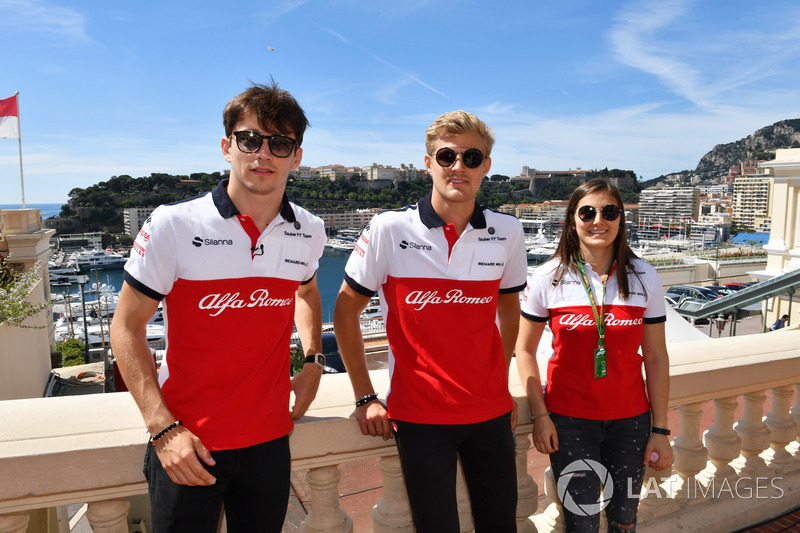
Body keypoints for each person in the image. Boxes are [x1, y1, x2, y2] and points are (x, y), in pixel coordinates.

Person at [110, 81, 326, 533]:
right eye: (250, 139)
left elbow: (306, 293)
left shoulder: (308, 230)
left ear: (296, 157)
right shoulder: (174, 224)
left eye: (280, 143)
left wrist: (313, 361)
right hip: (188, 442)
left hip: (270, 441)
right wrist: (162, 428)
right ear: (227, 147)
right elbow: (126, 327)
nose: (263, 154)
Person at [333, 110, 528, 532]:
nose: (458, 167)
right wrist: (365, 396)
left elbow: (509, 310)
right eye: (446, 156)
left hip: (490, 412)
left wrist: (500, 379)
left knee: (501, 525)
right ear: (428, 163)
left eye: (471, 158)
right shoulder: (388, 228)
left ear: (486, 167)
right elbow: (345, 311)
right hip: (419, 417)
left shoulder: (509, 232)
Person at [515, 179, 673, 533]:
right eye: (587, 212)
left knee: (624, 521)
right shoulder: (547, 276)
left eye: (609, 211)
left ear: (620, 220)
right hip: (570, 423)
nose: (598, 220)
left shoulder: (644, 275)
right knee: (581, 523)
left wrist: (660, 429)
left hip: (631, 423)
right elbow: (523, 350)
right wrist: (541, 416)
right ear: (573, 220)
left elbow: (656, 357)